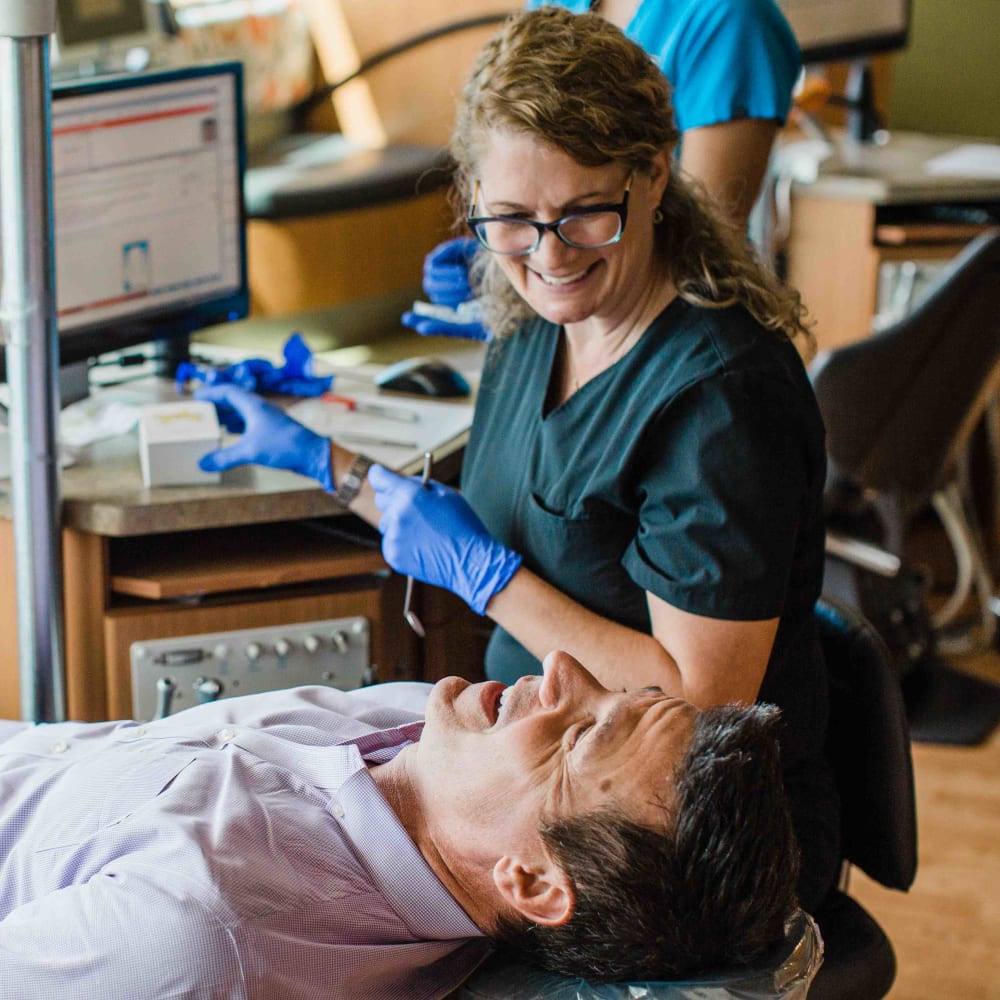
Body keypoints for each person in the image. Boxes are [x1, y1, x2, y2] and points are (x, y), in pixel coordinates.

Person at [195, 7, 837, 913]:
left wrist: (490, 581)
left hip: (663, 851)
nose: (548, 257)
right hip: (529, 804)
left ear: (655, 174)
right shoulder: (538, 320)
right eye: (511, 220)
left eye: (583, 215)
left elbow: (695, 708)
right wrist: (321, 459)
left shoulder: (720, 400)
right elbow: (461, 524)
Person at [0, 653, 800, 998]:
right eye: (609, 694)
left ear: (529, 879)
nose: (560, 668)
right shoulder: (422, 733)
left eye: (581, 733)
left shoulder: (196, 938)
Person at [404, 0, 801, 341]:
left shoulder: (730, 20)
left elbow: (706, 227)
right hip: (581, 323)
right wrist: (500, 258)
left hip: (660, 329)